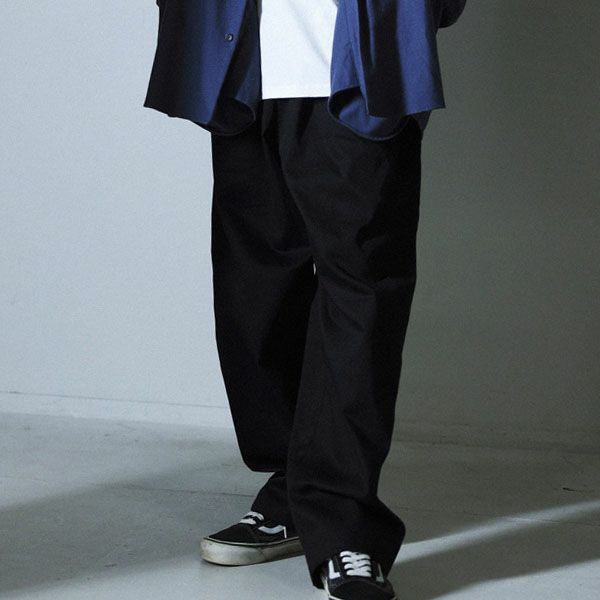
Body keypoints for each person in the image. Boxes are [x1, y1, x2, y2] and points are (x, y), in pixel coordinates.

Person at [144, 1, 467, 598]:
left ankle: (346, 527)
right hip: (242, 74)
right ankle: (294, 491)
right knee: (255, 296)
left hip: (360, 76)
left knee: (360, 298)